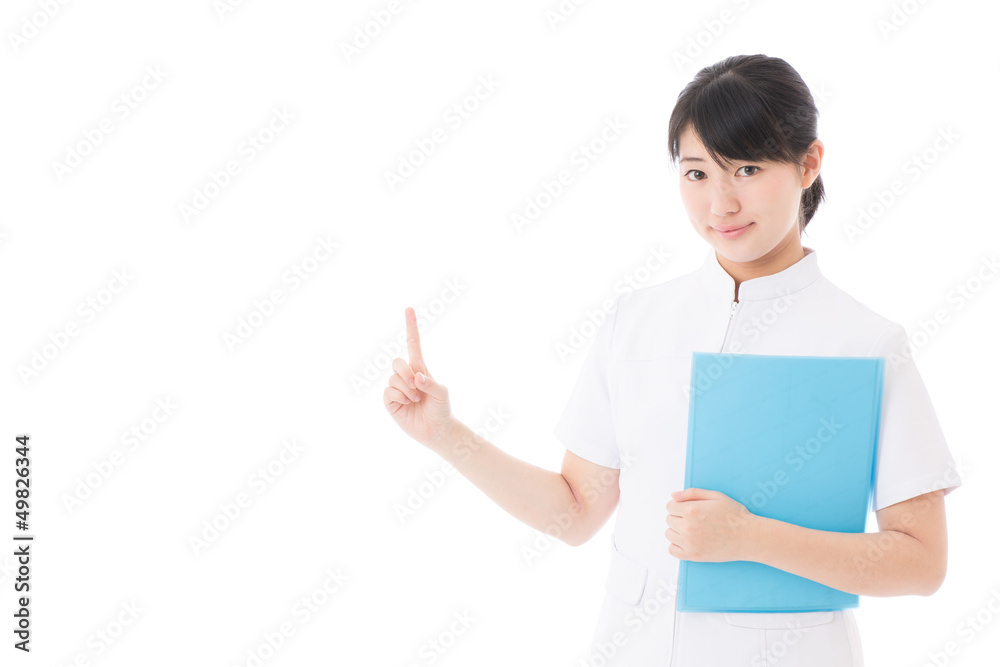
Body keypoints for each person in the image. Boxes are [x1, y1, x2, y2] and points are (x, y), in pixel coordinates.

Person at [382, 54, 962, 666]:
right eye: (696, 174)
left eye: (746, 168)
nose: (720, 204)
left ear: (809, 163)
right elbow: (574, 513)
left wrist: (749, 537)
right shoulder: (634, 324)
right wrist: (448, 437)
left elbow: (921, 562)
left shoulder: (865, 342)